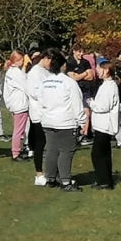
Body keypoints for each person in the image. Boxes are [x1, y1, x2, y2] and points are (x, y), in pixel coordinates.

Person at [39, 50, 86, 192]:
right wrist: (82, 121)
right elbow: (77, 103)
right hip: (65, 122)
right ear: (63, 65)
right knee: (66, 151)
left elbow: (40, 101)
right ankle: (65, 181)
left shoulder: (45, 82)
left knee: (52, 150)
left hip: (48, 121)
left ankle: (50, 178)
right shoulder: (68, 83)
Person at [89, 60, 120, 189]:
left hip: (105, 125)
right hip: (102, 124)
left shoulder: (109, 86)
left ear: (106, 70)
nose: (97, 71)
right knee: (105, 153)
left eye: (99, 69)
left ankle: (104, 181)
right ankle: (106, 179)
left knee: (97, 154)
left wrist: (91, 103)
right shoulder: (106, 85)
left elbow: (103, 106)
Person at [3, 52, 30, 161]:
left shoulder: (11, 71)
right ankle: (16, 153)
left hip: (14, 103)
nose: (23, 62)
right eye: (22, 60)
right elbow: (26, 85)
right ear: (17, 60)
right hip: (20, 104)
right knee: (19, 130)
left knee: (18, 129)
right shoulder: (16, 73)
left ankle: (17, 150)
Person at [27, 51, 49, 184]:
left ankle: (51, 172)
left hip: (47, 112)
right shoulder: (35, 72)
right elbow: (34, 92)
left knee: (49, 144)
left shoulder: (45, 71)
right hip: (38, 114)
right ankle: (39, 175)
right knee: (40, 144)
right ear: (46, 58)